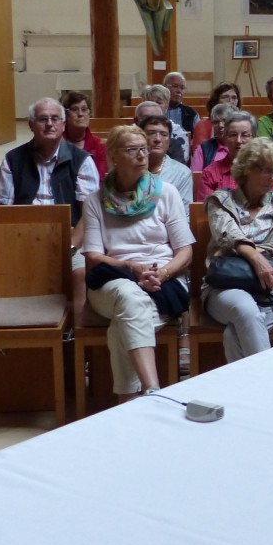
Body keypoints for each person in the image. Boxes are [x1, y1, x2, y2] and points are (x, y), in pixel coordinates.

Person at [82, 125, 194, 401]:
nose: (142, 155)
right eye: (133, 150)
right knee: (128, 294)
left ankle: (130, 402)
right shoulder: (95, 201)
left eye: (144, 148)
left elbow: (185, 250)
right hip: (113, 280)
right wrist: (131, 268)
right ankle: (152, 390)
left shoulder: (166, 193)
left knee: (125, 322)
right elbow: (94, 256)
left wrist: (164, 273)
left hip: (162, 282)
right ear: (114, 156)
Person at [0, 97, 100, 319]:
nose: (49, 124)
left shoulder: (81, 160)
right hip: (23, 236)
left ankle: (77, 339)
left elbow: (89, 213)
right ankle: (18, 337)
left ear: (63, 124)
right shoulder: (13, 159)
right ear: (31, 124)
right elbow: (4, 210)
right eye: (42, 119)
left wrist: (70, 246)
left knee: (79, 273)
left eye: (55, 118)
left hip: (70, 239)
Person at [203, 138, 273, 363]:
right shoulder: (220, 201)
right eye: (266, 171)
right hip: (225, 285)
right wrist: (256, 258)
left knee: (234, 333)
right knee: (245, 310)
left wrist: (238, 251)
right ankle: (268, 389)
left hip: (272, 288)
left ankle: (246, 393)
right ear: (246, 169)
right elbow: (227, 235)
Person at [196, 111, 260, 201]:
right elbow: (207, 211)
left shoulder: (266, 171)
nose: (238, 141)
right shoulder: (210, 173)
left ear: (254, 138)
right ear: (225, 138)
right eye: (233, 135)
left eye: (245, 135)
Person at [138, 114, 193, 211]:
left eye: (164, 134)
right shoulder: (128, 169)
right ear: (141, 138)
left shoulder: (182, 173)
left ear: (169, 141)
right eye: (151, 133)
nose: (158, 139)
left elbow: (185, 215)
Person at [60, 91, 107, 181]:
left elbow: (98, 179)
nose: (80, 114)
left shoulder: (99, 145)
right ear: (65, 115)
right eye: (74, 109)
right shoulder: (57, 143)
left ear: (89, 114)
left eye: (84, 109)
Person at [139, 86, 190, 165]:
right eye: (149, 102)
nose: (153, 106)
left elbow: (179, 163)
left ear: (167, 106)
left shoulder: (178, 133)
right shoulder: (133, 130)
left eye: (158, 102)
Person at [190, 103, 237, 173]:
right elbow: (195, 177)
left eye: (224, 121)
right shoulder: (203, 149)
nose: (220, 125)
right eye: (216, 122)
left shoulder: (242, 146)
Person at [192, 81, 241, 147]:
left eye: (234, 97)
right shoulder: (203, 125)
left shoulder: (243, 124)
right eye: (225, 97)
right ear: (216, 101)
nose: (230, 101)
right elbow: (201, 152)